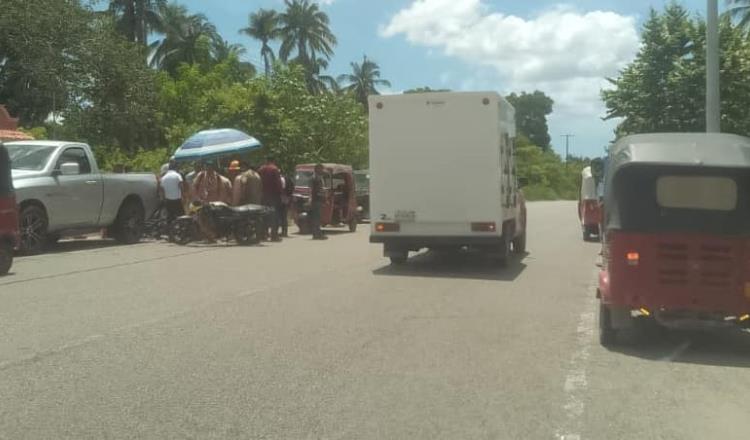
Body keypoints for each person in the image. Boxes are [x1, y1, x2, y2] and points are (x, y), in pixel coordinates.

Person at [258, 157, 283, 242]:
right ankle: (274, 235)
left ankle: (263, 234)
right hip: (273, 196)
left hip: (263, 196)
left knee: (264, 215)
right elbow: (278, 183)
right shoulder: (274, 169)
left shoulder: (261, 169)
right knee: (274, 216)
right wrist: (280, 193)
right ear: (274, 161)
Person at [310, 163, 328, 240]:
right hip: (317, 200)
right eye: (321, 169)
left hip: (317, 199)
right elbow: (317, 190)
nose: (322, 170)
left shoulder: (318, 177)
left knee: (317, 218)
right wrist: (323, 196)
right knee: (316, 218)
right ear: (317, 169)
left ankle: (316, 233)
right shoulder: (316, 178)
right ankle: (317, 234)